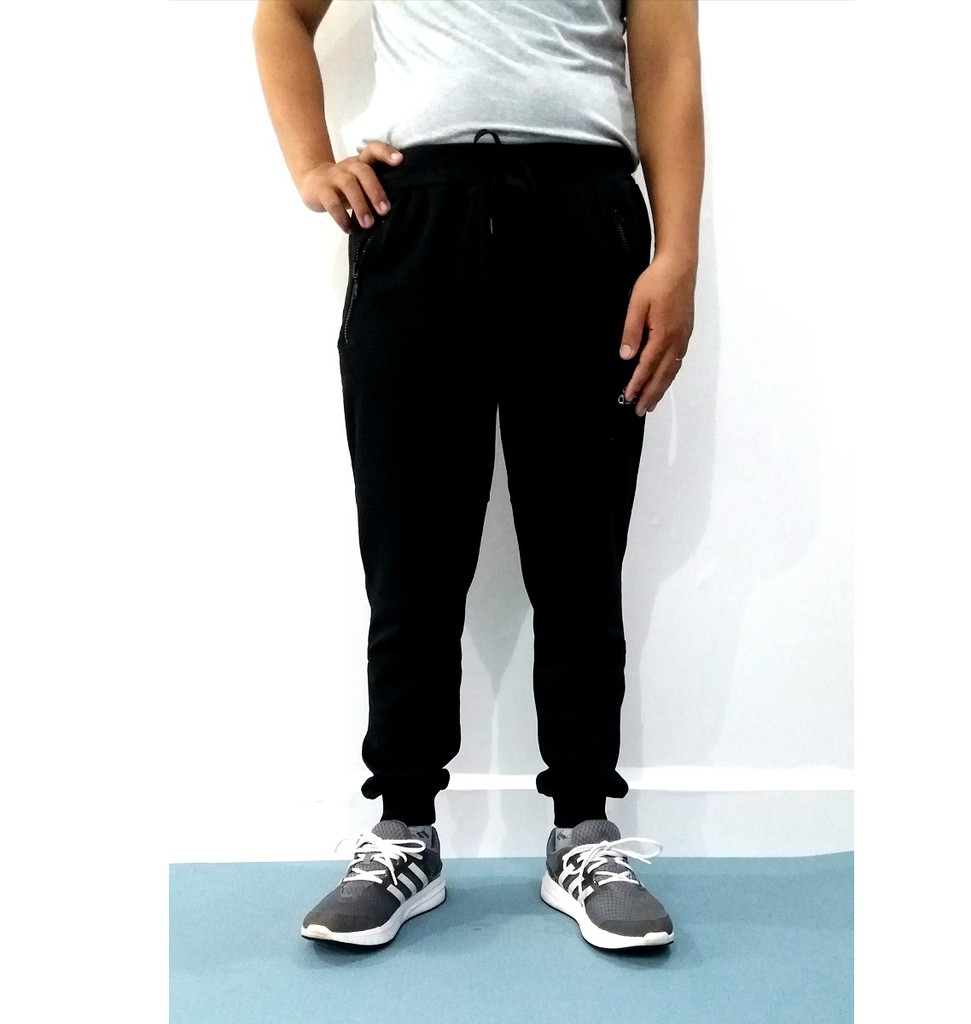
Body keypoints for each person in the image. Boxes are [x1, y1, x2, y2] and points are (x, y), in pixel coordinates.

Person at [252, 0, 703, 951]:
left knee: (579, 550)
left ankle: (584, 830)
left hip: (584, 214)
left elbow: (666, 64)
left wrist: (678, 255)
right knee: (410, 551)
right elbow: (282, 16)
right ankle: (402, 829)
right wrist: (311, 165)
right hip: (417, 214)